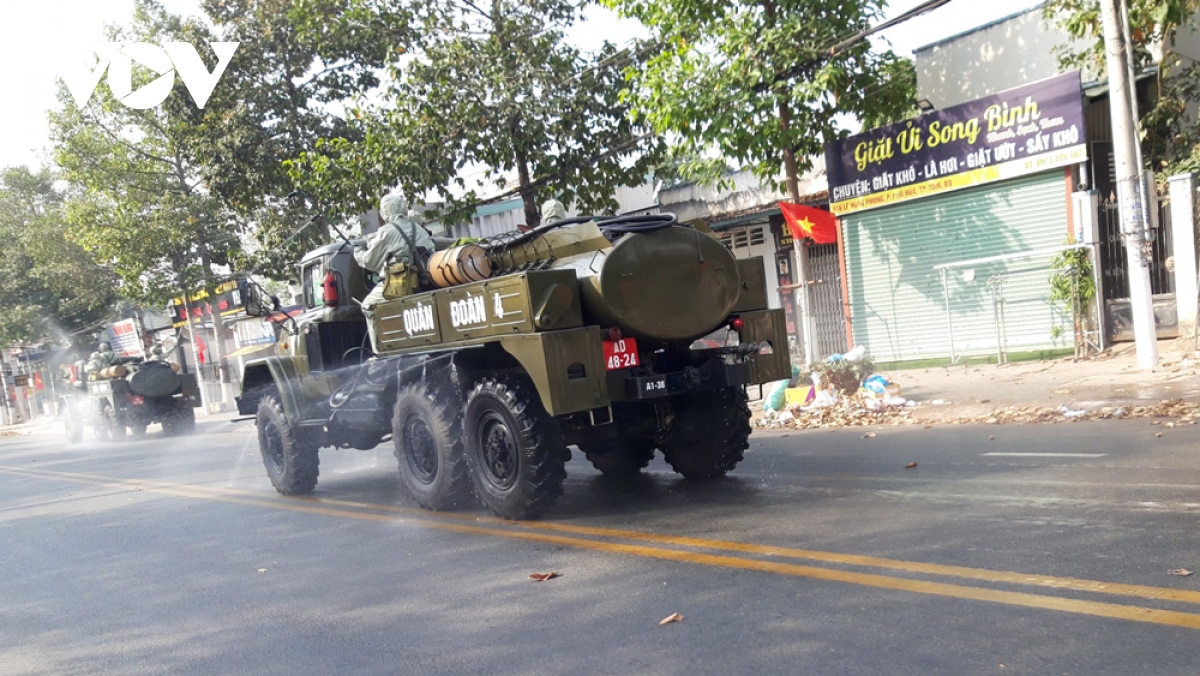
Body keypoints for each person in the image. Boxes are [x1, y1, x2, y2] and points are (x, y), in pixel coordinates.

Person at [355, 191, 436, 352]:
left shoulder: (387, 231)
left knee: (368, 306)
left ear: (386, 211)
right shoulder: (419, 229)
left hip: (399, 284)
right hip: (423, 282)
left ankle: (380, 351)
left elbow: (370, 262)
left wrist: (357, 251)